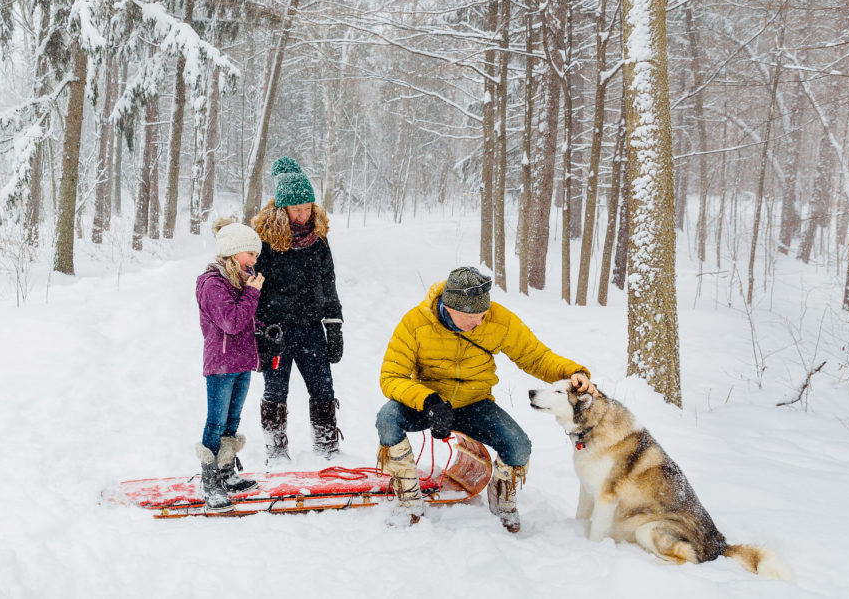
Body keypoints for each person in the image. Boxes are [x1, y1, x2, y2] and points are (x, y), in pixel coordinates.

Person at [375, 266, 597, 531]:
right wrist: (428, 401)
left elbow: (535, 356)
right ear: (450, 306)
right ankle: (408, 501)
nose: (480, 322)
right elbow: (391, 376)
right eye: (473, 317)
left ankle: (502, 501)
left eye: (483, 315)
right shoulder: (415, 323)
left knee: (518, 446)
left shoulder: (497, 320)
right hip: (431, 403)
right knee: (387, 418)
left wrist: (573, 372)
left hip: (475, 402)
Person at [252, 157, 344, 461]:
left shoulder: (318, 239)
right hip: (275, 331)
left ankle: (327, 447)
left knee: (322, 388)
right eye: (297, 209)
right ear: (282, 208)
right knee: (275, 392)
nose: (304, 215)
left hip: (311, 328)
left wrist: (334, 326)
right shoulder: (264, 240)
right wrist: (257, 333)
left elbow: (328, 282)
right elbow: (253, 286)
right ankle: (276, 452)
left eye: (308, 207)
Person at [194, 218, 265, 513]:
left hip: (242, 361)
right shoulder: (213, 284)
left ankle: (226, 472)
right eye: (251, 254)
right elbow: (232, 322)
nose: (254, 260)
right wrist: (252, 294)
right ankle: (210, 480)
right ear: (235, 253)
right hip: (221, 364)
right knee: (216, 421)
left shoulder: (239, 281)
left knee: (232, 421)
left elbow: (247, 320)